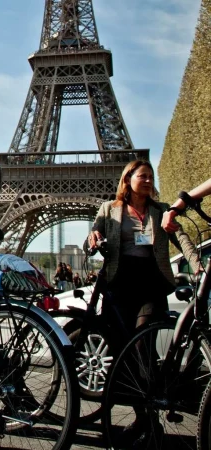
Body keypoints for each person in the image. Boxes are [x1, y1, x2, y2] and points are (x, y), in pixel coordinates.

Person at [88, 160, 200, 443]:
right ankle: (144, 418)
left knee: (141, 345)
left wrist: (197, 265)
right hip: (120, 283)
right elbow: (93, 236)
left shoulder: (161, 211)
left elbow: (183, 239)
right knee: (124, 353)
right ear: (128, 179)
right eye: (143, 176)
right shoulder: (108, 209)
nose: (149, 180)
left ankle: (150, 414)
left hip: (150, 283)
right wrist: (93, 239)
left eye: (151, 176)